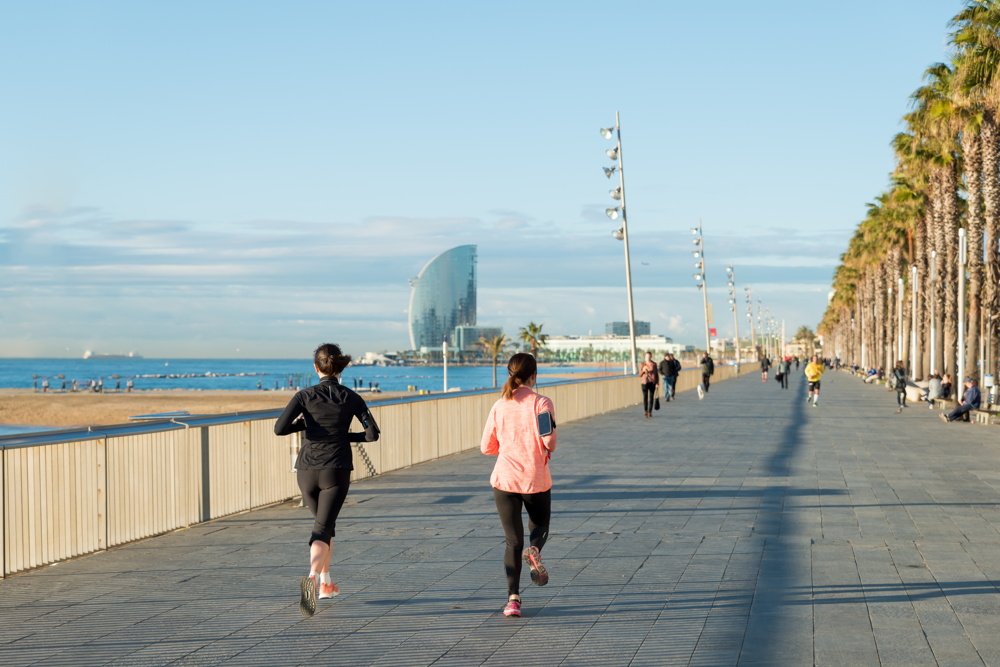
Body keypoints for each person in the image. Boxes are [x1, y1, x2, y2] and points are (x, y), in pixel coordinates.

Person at [274, 343, 380, 617]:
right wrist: (345, 436)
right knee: (322, 528)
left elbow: (280, 428)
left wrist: (306, 425)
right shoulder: (352, 397)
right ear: (341, 367)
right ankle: (311, 577)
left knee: (325, 525)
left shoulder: (304, 395)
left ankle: (326, 583)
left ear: (315, 367)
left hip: (306, 471)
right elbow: (371, 435)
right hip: (336, 468)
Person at [481, 353, 557, 618]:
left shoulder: (499, 405)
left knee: (512, 542)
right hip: (535, 478)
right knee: (540, 526)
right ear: (534, 375)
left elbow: (486, 446)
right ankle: (534, 550)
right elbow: (549, 441)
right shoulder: (541, 403)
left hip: (504, 479)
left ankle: (513, 600)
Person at [638, 351, 659, 418]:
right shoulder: (643, 364)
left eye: (649, 356)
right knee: (645, 397)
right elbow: (640, 375)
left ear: (651, 357)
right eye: (646, 357)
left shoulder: (654, 364)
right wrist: (643, 371)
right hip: (644, 382)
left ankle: (650, 411)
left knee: (651, 397)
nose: (647, 358)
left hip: (652, 382)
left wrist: (657, 383)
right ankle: (645, 411)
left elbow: (656, 374)